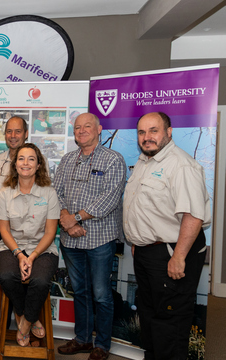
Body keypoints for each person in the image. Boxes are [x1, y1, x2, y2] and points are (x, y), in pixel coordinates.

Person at [124, 112, 211, 360]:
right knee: (150, 314)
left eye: (153, 130)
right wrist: (138, 240)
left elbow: (193, 215)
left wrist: (179, 256)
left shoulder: (181, 165)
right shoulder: (145, 161)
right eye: (141, 132)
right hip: (148, 252)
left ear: (169, 132)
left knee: (170, 319)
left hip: (173, 252)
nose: (147, 137)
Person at [53, 113, 126, 360]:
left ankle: (102, 344)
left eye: (87, 126)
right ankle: (83, 339)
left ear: (99, 130)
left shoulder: (113, 160)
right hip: (70, 238)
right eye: (77, 127)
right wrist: (66, 218)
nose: (81, 130)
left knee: (101, 293)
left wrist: (78, 218)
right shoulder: (67, 160)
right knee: (80, 291)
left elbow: (110, 198)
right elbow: (57, 193)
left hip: (100, 239)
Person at [0, 143, 59, 347]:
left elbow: (50, 232)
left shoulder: (49, 193)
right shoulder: (4, 193)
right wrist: (20, 255)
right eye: (21, 158)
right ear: (15, 163)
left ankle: (24, 323)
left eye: (31, 159)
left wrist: (32, 256)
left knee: (39, 280)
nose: (26, 163)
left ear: (38, 165)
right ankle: (26, 316)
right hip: (11, 247)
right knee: (6, 275)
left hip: (43, 248)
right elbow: (4, 230)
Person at [0, 116, 29, 345]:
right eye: (9, 131)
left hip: (28, 231)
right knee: (4, 277)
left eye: (17, 131)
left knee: (30, 278)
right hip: (0, 228)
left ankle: (27, 326)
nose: (12, 135)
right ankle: (1, 327)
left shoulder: (35, 160)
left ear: (26, 133)